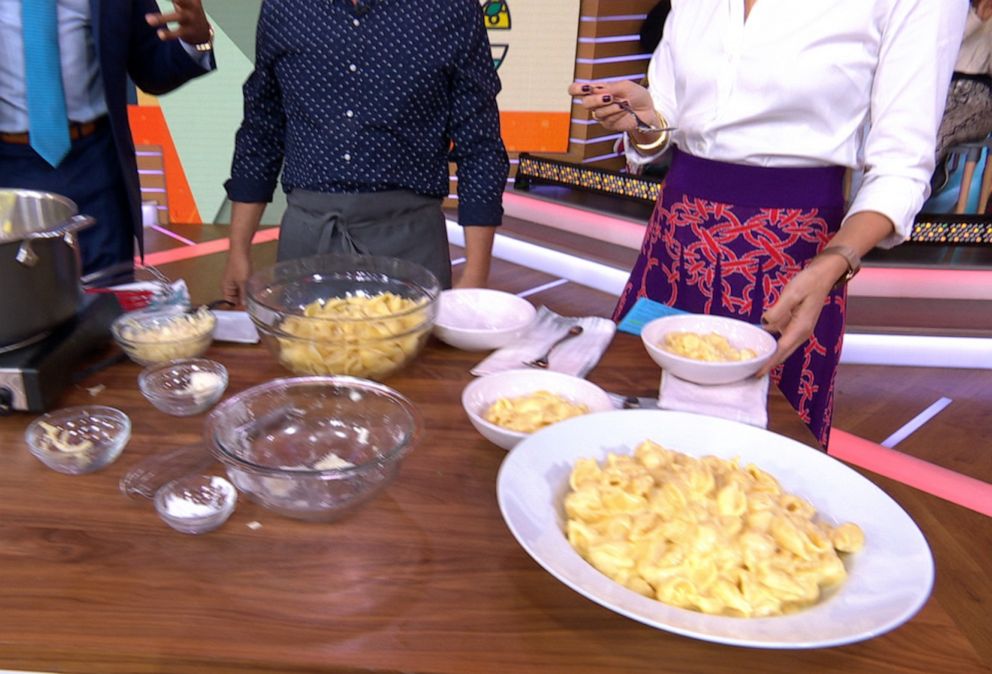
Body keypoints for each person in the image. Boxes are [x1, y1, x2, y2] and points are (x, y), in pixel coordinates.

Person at [570, 0, 968, 448]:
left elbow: (903, 166)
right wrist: (644, 122)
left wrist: (835, 262)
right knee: (633, 432)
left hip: (791, 260)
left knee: (751, 461)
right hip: (674, 243)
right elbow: (669, 122)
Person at [220, 0, 509, 304]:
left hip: (413, 247)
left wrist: (477, 272)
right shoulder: (284, 6)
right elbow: (261, 131)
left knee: (416, 352)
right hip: (306, 245)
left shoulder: (454, 9)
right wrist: (238, 250)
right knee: (302, 350)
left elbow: (480, 145)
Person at [0, 0, 216, 286]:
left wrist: (196, 41)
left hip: (95, 170)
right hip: (8, 172)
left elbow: (151, 65)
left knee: (105, 312)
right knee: (16, 313)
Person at [932, 0, 992, 193]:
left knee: (935, 132)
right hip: (939, 86)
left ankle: (918, 181)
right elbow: (935, 48)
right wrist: (975, 18)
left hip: (980, 96)